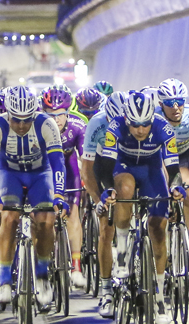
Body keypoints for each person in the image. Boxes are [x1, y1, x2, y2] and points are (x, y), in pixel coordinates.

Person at [98, 92, 185, 324]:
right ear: (126, 119)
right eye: (135, 125)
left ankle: (159, 297)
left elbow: (173, 168)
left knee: (158, 229)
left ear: (151, 119)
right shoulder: (115, 126)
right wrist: (108, 190)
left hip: (151, 171)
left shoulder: (163, 128)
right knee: (124, 189)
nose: (140, 130)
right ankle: (123, 252)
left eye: (145, 124)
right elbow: (105, 166)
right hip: (124, 167)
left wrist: (177, 187)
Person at [0, 85, 68, 308]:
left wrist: (58, 194)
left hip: (40, 173)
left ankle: (41, 275)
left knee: (45, 220)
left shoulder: (46, 124)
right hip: (9, 173)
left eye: (26, 120)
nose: (21, 126)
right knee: (9, 218)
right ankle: (4, 279)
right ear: (8, 114)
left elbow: (58, 163)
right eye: (16, 120)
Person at [81, 91, 125, 317]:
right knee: (106, 230)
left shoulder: (136, 122)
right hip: (101, 166)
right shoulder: (96, 124)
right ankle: (106, 290)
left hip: (125, 163)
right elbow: (87, 170)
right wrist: (98, 200)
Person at [42, 86, 87, 287]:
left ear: (68, 112)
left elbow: (86, 160)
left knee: (73, 214)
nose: (56, 119)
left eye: (60, 114)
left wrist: (88, 182)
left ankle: (76, 266)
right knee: (46, 217)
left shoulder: (78, 126)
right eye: (51, 115)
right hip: (45, 169)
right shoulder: (37, 127)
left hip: (69, 170)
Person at [155, 78, 189, 223]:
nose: (176, 107)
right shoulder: (154, 118)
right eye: (169, 103)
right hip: (162, 155)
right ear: (161, 104)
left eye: (180, 102)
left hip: (183, 155)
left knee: (187, 190)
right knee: (164, 181)